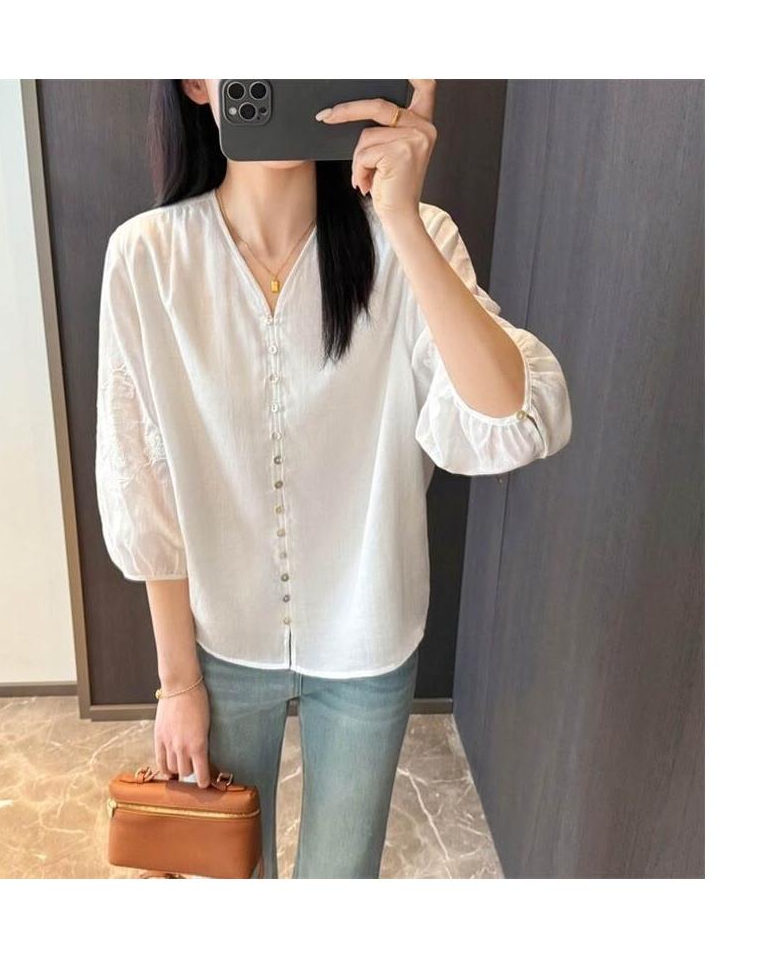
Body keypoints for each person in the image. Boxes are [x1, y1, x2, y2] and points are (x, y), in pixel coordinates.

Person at [94, 79, 572, 878]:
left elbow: (513, 421)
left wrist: (402, 220)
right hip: (219, 641)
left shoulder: (414, 239)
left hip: (369, 635)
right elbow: (144, 483)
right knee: (225, 881)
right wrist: (176, 684)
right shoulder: (147, 259)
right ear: (197, 81)